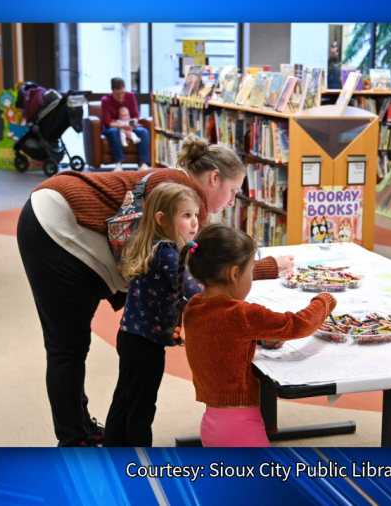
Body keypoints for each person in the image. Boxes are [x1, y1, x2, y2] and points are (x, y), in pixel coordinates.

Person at [17, 135, 293, 447]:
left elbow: (195, 272)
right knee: (68, 348)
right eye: (232, 192)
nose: (231, 202)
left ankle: (85, 432)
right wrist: (255, 301)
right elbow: (200, 275)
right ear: (215, 178)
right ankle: (75, 442)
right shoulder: (183, 197)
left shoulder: (178, 198)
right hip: (57, 226)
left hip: (57, 220)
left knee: (104, 375)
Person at [178, 224, 337, 447]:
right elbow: (298, 325)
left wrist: (259, 337)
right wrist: (324, 301)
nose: (253, 276)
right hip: (240, 427)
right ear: (234, 274)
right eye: (251, 269)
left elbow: (220, 339)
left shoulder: (195, 306)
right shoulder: (241, 314)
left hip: (211, 422)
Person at [103, 183, 202, 447]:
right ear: (162, 219)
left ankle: (112, 450)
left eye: (196, 215)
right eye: (186, 215)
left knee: (125, 399)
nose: (195, 222)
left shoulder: (150, 244)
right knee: (142, 409)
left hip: (131, 337)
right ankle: (140, 463)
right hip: (146, 346)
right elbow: (195, 292)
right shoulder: (168, 254)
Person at [101, 77, 151, 171]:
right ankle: (118, 163)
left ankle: (143, 163)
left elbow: (136, 116)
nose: (121, 96)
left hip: (129, 125)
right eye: (118, 93)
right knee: (113, 132)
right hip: (114, 127)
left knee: (143, 132)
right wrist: (123, 127)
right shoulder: (105, 100)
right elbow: (108, 122)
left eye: (122, 93)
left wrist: (130, 126)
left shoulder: (130, 96)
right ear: (113, 91)